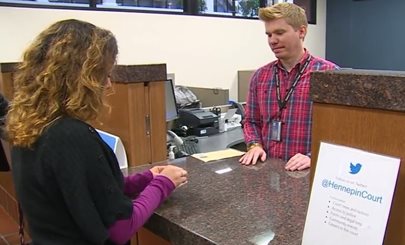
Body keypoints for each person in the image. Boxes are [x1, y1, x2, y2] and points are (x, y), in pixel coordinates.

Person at [6, 19, 188, 245]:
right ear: (83, 78)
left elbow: (86, 191)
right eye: (104, 74)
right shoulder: (72, 136)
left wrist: (147, 178)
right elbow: (121, 229)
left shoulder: (32, 126)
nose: (109, 84)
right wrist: (163, 184)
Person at [239, 3, 339, 171]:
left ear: (301, 32)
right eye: (269, 34)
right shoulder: (260, 76)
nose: (272, 40)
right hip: (267, 173)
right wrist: (254, 144)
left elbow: (339, 131)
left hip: (306, 172)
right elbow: (251, 121)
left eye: (279, 33)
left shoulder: (329, 75)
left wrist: (313, 156)